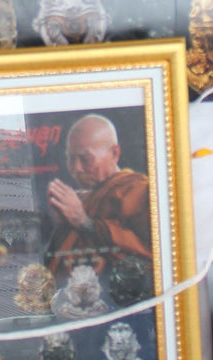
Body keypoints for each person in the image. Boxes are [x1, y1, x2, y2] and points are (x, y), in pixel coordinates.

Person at [45, 113, 151, 278]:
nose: (76, 168)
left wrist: (84, 221)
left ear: (114, 154)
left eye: (85, 159)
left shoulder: (138, 190)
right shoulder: (84, 200)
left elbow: (147, 256)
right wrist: (62, 226)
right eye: (71, 159)